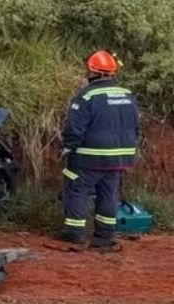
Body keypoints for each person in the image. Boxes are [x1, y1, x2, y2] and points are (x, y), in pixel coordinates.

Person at [55, 51, 140, 253]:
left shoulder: (86, 96)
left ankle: (74, 234)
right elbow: (136, 127)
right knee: (109, 194)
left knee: (78, 190)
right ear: (112, 73)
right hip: (120, 158)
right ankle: (103, 237)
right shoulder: (127, 95)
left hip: (89, 157)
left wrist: (67, 148)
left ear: (92, 71)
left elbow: (75, 129)